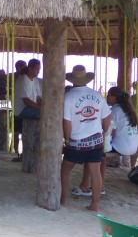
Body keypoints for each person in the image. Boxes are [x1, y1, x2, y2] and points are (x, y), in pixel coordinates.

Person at [60, 65, 111, 212]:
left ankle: (63, 198)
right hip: (96, 141)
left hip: (77, 141)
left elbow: (67, 122)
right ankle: (94, 205)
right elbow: (107, 116)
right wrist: (104, 131)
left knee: (65, 169)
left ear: (73, 80)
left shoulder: (68, 97)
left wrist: (68, 139)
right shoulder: (97, 95)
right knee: (95, 172)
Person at [10, 60, 27, 162]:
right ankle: (17, 153)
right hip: (19, 108)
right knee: (17, 133)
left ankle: (21, 153)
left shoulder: (18, 77)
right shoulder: (17, 78)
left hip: (19, 108)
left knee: (22, 133)